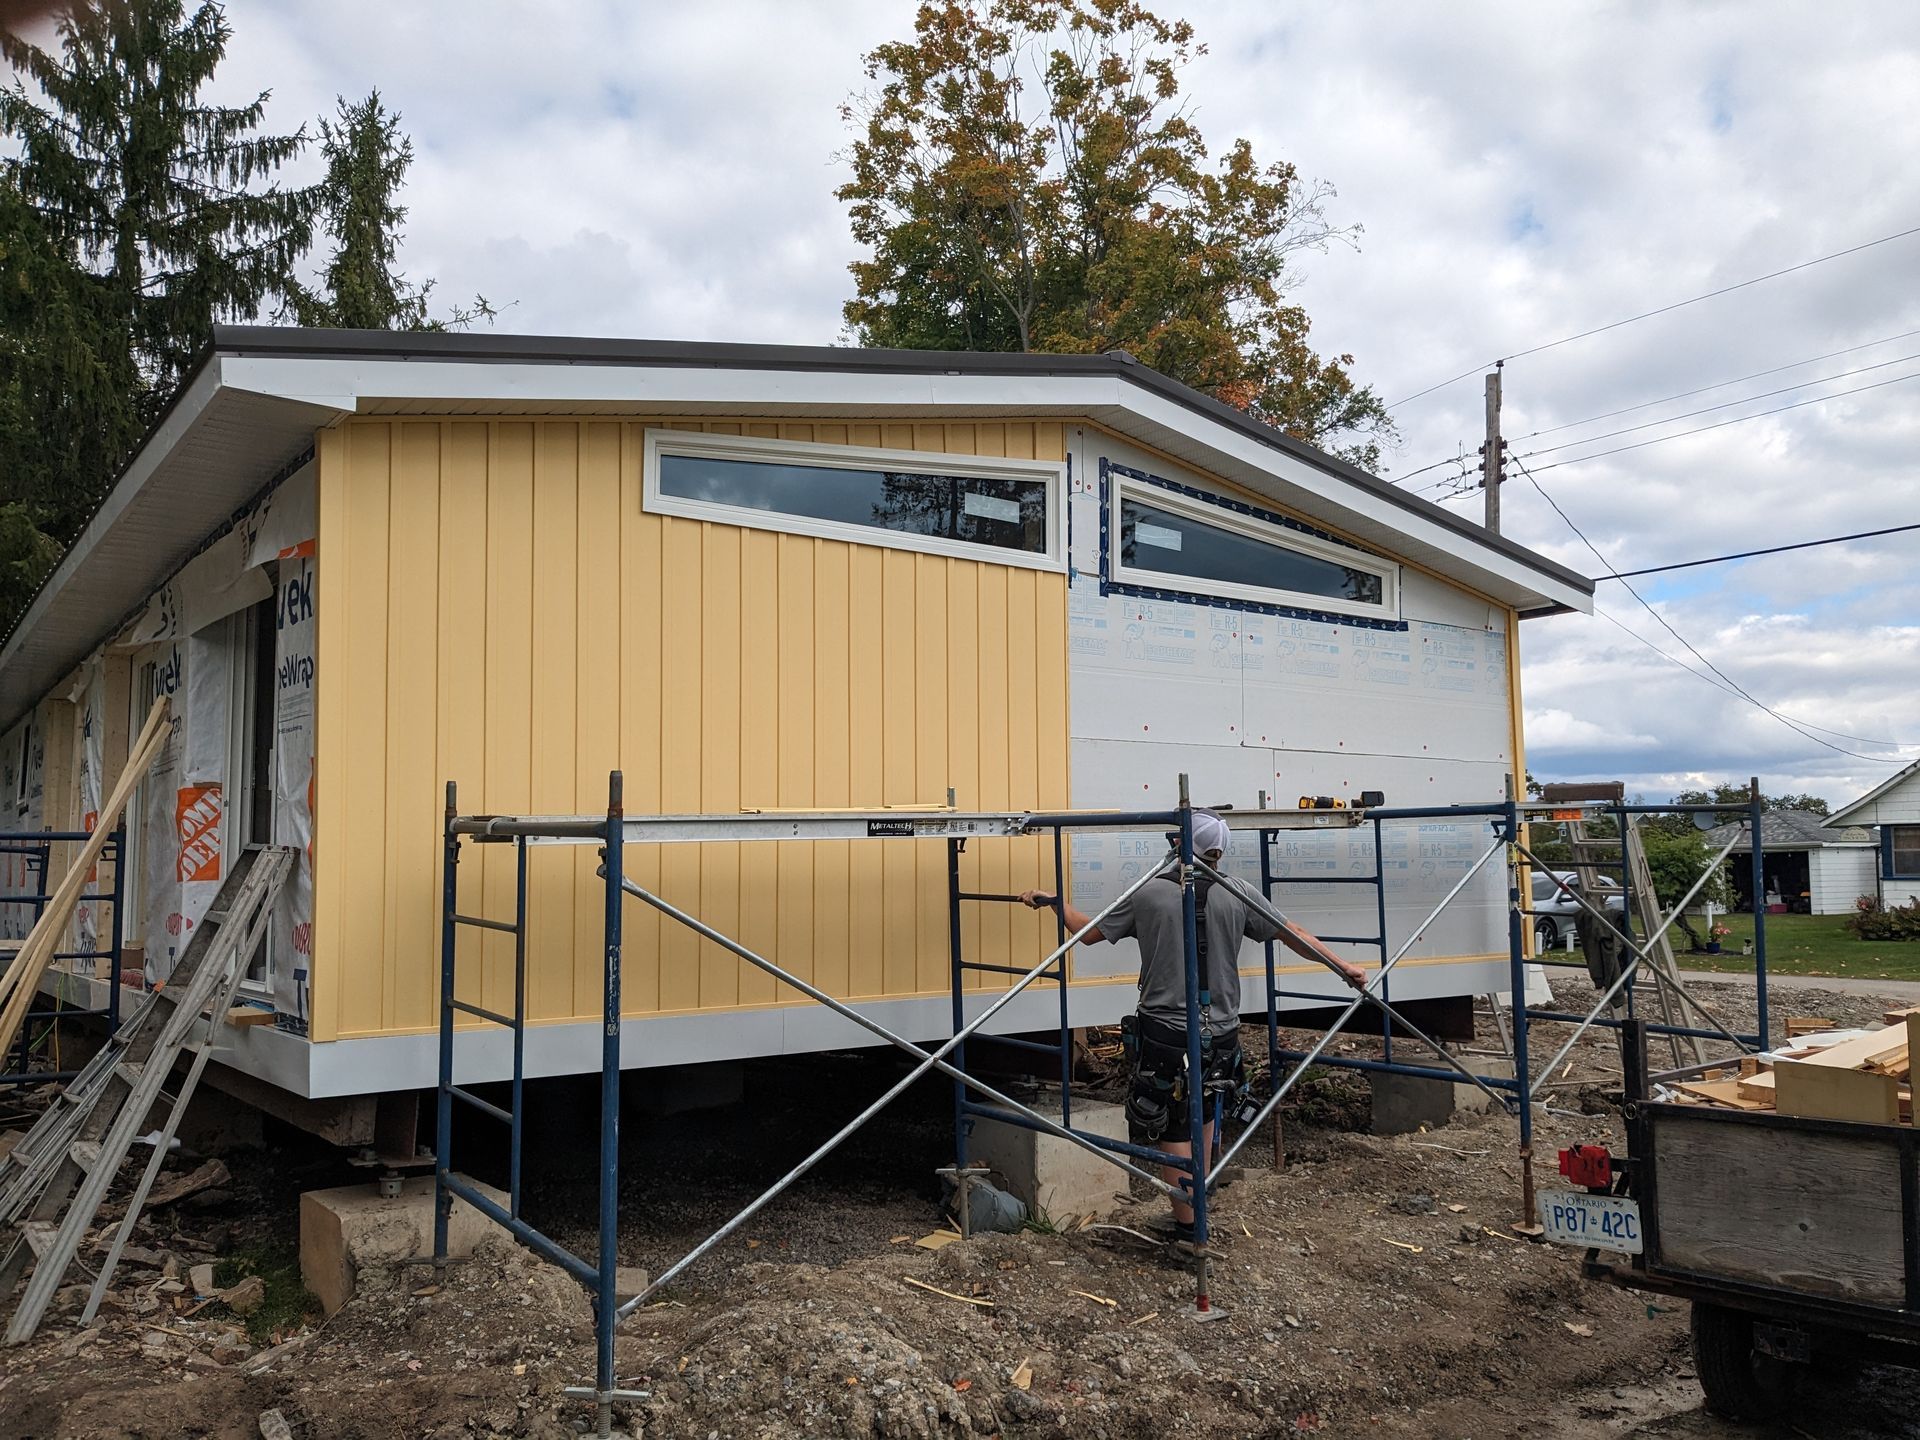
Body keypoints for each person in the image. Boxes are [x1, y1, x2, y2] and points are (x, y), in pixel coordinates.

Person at [1017, 810, 1367, 1241]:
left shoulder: (1149, 894)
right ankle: (1199, 1208)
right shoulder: (1238, 893)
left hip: (1165, 1032)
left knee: (1171, 1125)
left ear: (1180, 845)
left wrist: (1055, 901)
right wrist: (1343, 966)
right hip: (1222, 1032)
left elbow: (1087, 933)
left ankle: (1187, 1229)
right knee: (1203, 1113)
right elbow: (1291, 932)